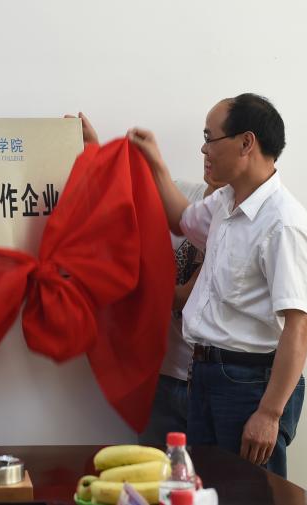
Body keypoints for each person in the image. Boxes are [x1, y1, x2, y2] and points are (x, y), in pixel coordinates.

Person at [127, 93, 307, 477]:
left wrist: (269, 413)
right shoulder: (225, 202)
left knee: (248, 492)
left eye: (210, 138)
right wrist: (154, 162)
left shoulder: (283, 221)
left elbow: (301, 325)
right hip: (205, 375)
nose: (204, 149)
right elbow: (182, 220)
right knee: (208, 489)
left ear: (246, 143)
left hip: (248, 383)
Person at [138, 179, 218, 446]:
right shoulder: (177, 193)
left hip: (215, 382)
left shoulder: (243, 216)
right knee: (155, 469)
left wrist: (131, 287)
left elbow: (187, 297)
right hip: (163, 376)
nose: (207, 157)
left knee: (214, 470)